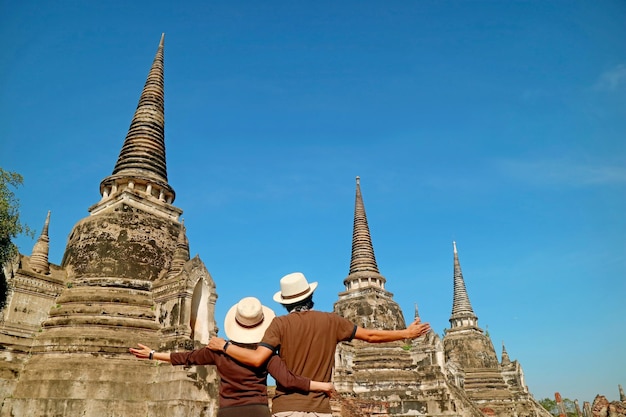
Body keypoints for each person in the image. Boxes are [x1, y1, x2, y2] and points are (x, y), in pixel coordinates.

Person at [208, 272, 431, 417]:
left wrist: (224, 346)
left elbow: (257, 359)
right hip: (320, 409)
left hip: (286, 408)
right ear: (310, 295)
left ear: (286, 303)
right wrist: (406, 333)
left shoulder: (279, 324)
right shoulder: (332, 321)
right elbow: (371, 336)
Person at [130, 296, 334, 417]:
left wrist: (152, 355)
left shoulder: (218, 351)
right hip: (258, 411)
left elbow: (186, 357)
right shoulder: (267, 354)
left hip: (228, 412)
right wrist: (322, 385)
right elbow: (288, 380)